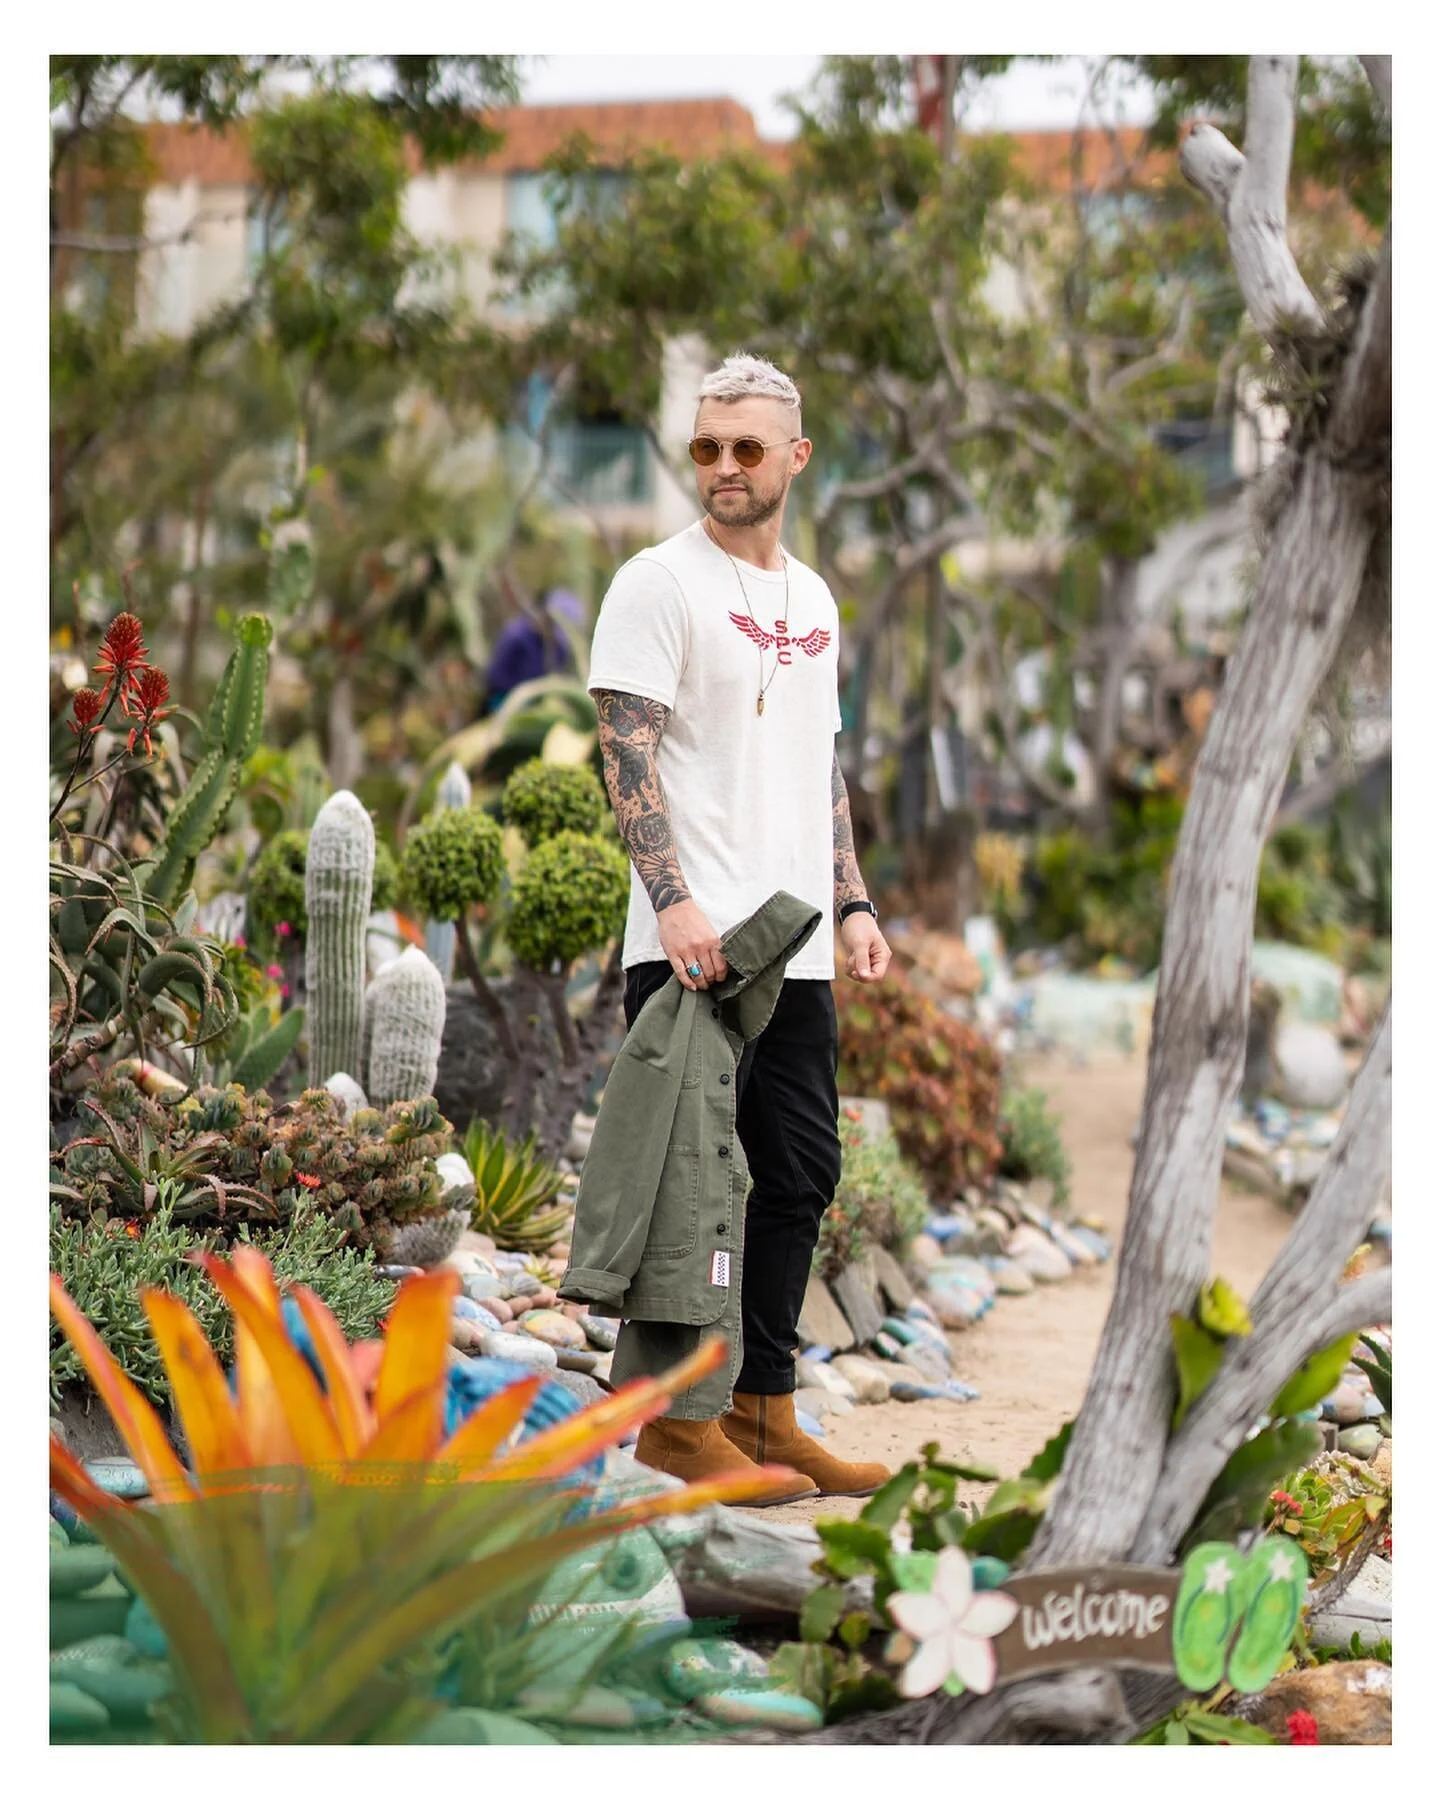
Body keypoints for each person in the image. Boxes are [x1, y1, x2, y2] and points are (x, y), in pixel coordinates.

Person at [585, 352, 894, 1500]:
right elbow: (625, 751)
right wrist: (671, 902)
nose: (722, 466)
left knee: (801, 1174)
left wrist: (854, 900)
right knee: (694, 1188)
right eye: (707, 446)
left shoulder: (812, 600)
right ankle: (679, 1427)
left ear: (794, 459)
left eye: (746, 448)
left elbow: (822, 765)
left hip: (796, 939)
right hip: (697, 948)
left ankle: (767, 1413)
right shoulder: (656, 584)